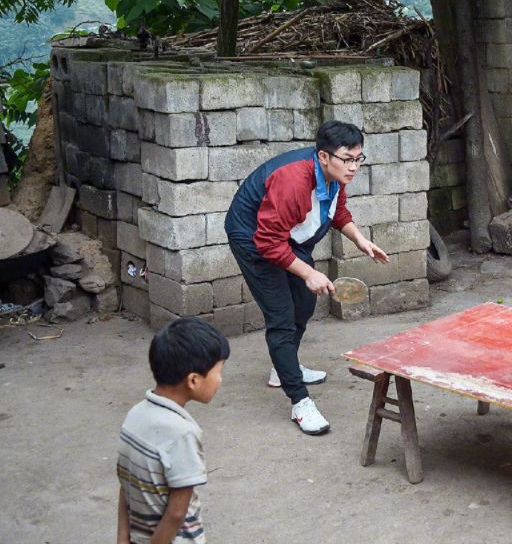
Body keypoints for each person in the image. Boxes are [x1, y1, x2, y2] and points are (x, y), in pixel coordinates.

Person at [225, 120, 388, 435]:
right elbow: (268, 242)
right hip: (253, 239)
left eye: (359, 159)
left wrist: (360, 240)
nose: (354, 167)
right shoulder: (293, 181)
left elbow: (337, 213)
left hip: (287, 237)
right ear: (324, 157)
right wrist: (308, 271)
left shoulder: (335, 176)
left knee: (304, 304)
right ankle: (299, 402)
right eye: (348, 159)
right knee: (282, 317)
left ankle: (282, 369)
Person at [116, 317, 229, 543]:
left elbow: (125, 486)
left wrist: (122, 536)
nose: (220, 380)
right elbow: (177, 512)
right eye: (218, 372)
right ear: (193, 380)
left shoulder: (135, 415)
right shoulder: (182, 434)